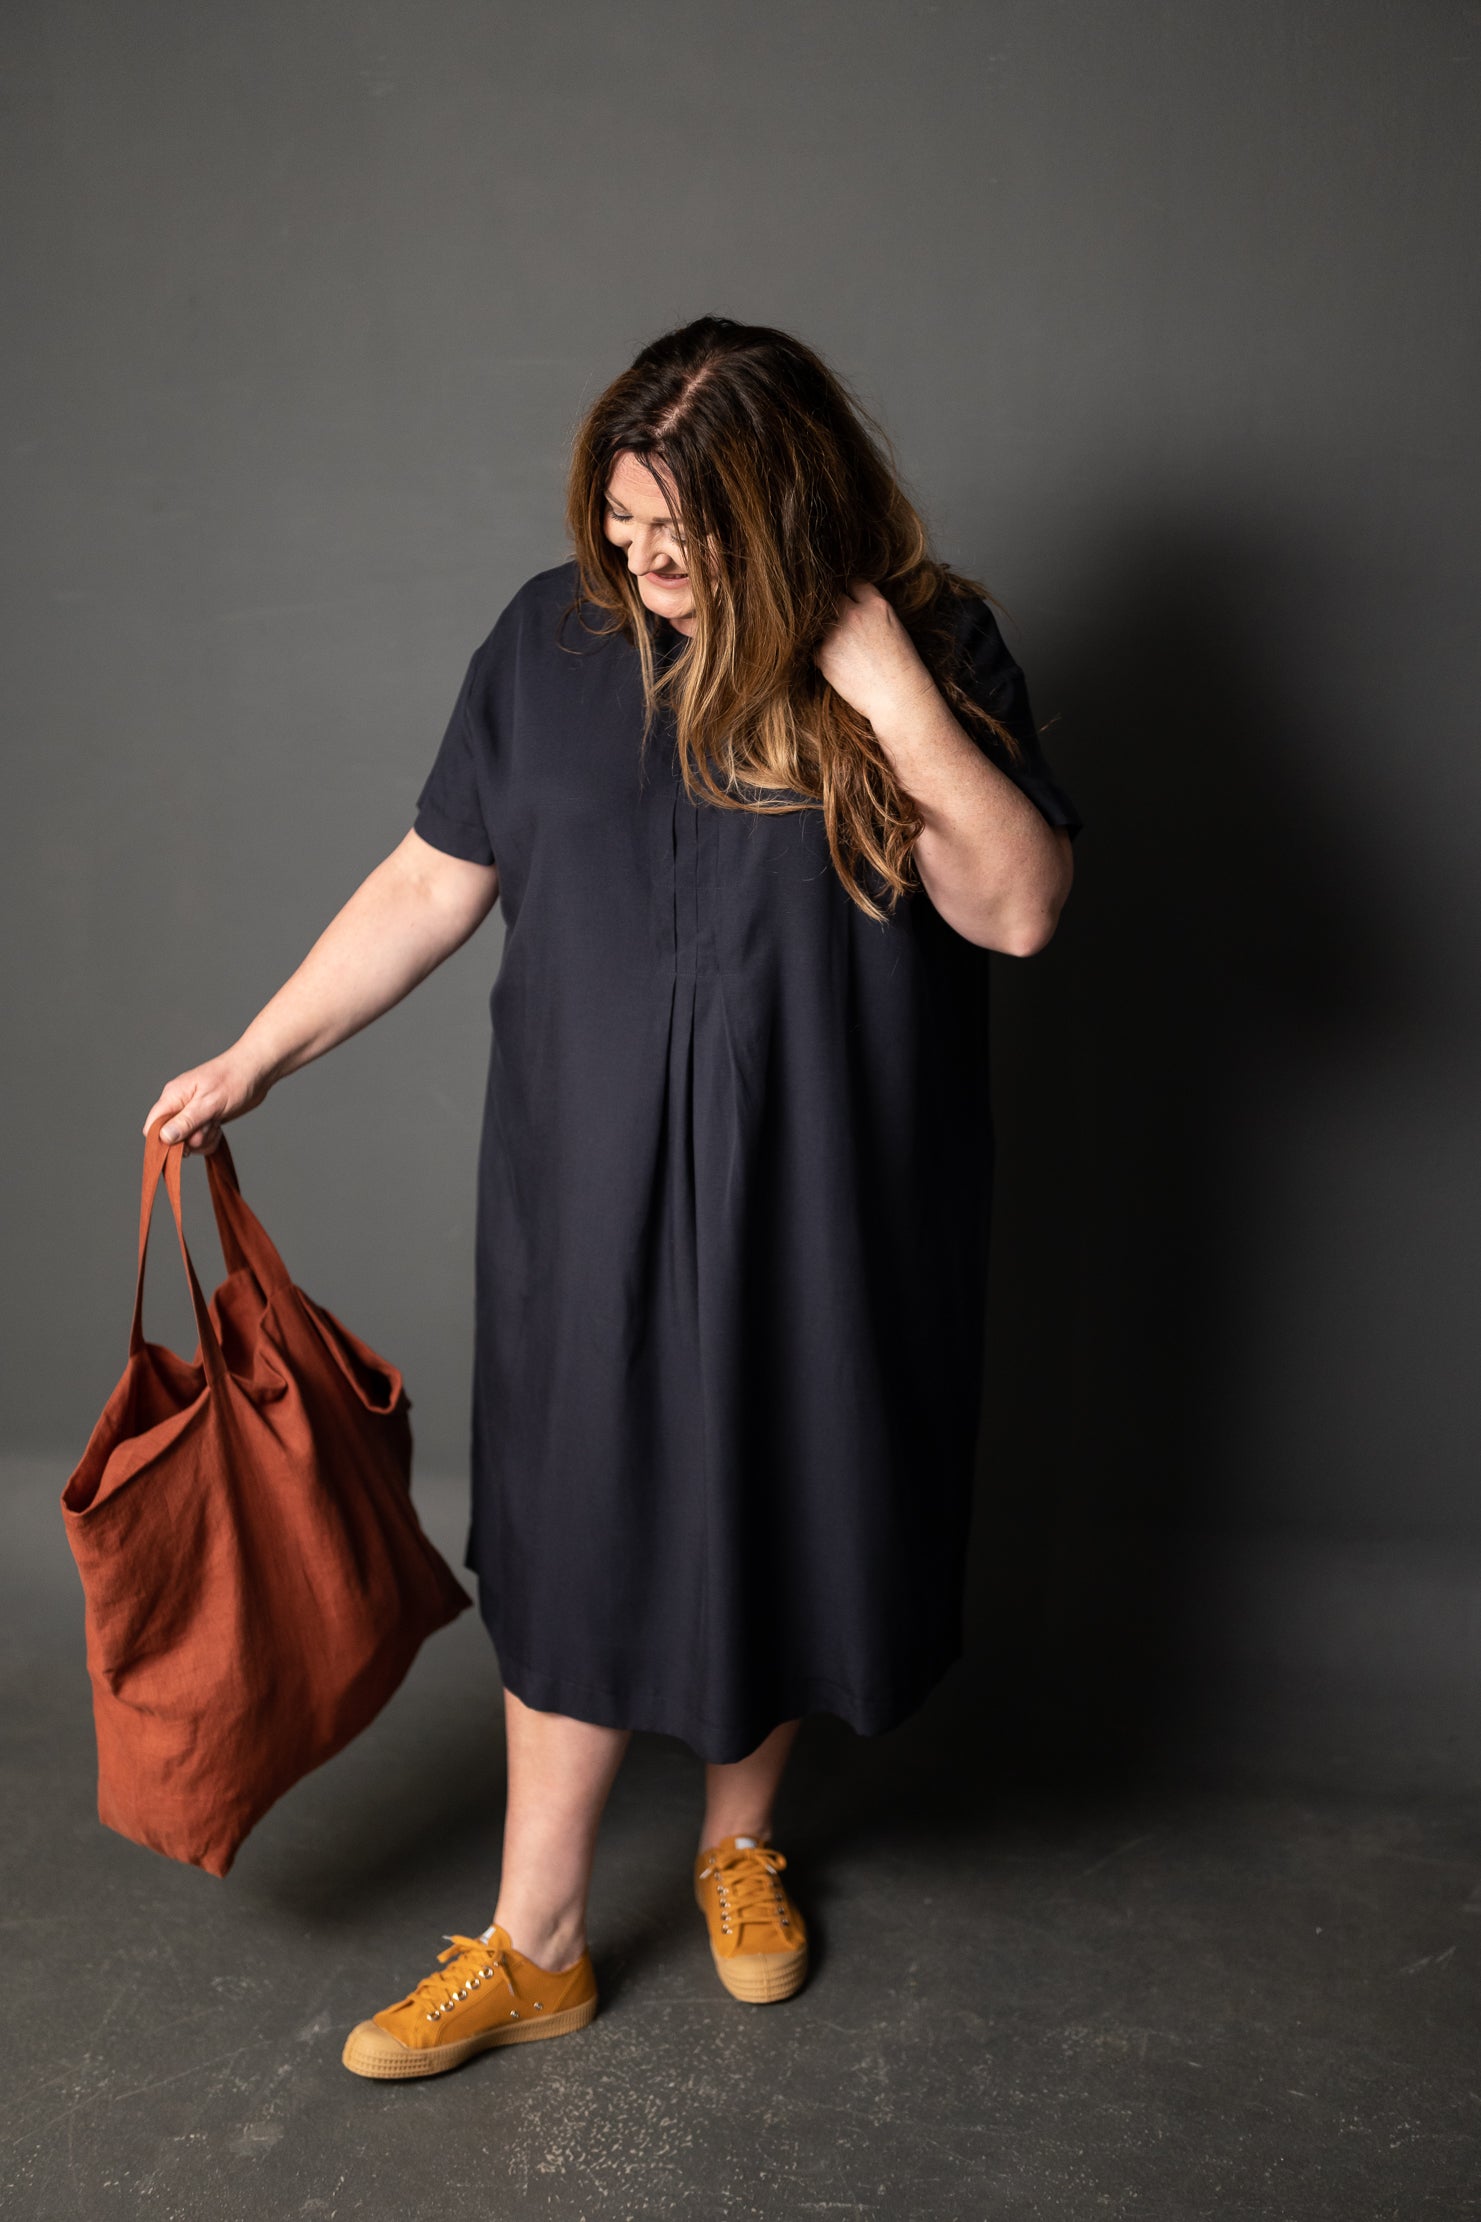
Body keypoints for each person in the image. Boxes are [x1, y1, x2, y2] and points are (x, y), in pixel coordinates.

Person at [143, 315, 1081, 2080]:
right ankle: (538, 1939)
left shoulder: (932, 644)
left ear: (789, 510)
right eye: (625, 521)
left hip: (829, 1201)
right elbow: (431, 879)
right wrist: (260, 1051)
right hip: (585, 1193)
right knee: (572, 1525)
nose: (646, 561)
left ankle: (739, 1844)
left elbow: (1017, 908)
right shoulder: (547, 641)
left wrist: (884, 687)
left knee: (787, 1496)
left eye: (687, 530)